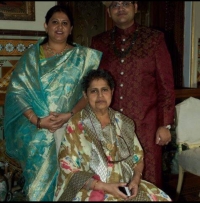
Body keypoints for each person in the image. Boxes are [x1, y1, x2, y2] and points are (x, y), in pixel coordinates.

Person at [3, 5, 102, 201]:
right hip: (35, 129)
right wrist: (38, 121)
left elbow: (89, 93)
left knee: (72, 177)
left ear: (71, 29)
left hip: (71, 126)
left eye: (65, 23)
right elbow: (17, 92)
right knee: (38, 170)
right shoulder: (32, 56)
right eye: (55, 22)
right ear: (46, 26)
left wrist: (69, 114)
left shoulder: (83, 57)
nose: (59, 27)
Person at [90, 1, 175, 188]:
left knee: (149, 178)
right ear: (108, 11)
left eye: (126, 3)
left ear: (136, 7)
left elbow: (166, 86)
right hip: (110, 127)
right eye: (115, 4)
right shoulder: (99, 42)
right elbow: (93, 85)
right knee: (113, 179)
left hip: (146, 127)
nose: (120, 8)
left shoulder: (154, 39)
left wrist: (165, 124)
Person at [53, 69, 171, 201]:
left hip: (124, 185)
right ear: (85, 95)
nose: (100, 96)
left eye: (104, 90)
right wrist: (105, 187)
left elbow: (137, 159)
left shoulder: (124, 123)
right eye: (93, 91)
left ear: (112, 92)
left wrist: (135, 181)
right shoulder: (75, 124)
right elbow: (67, 166)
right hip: (89, 187)